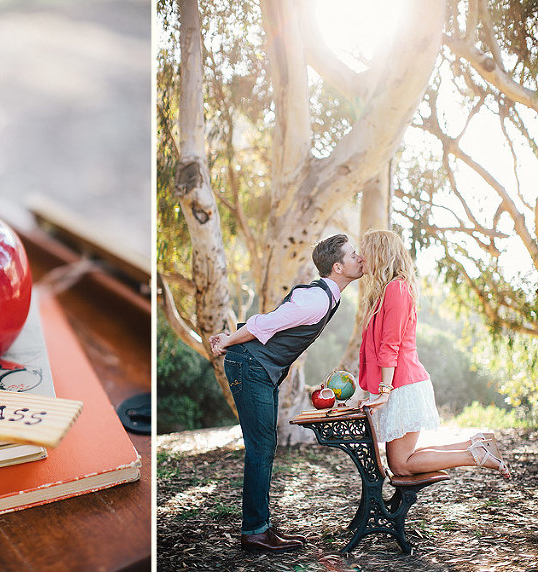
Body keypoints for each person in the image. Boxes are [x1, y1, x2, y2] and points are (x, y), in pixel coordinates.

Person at [210, 234, 364, 553]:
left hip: (257, 367)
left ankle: (261, 528)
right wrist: (228, 341)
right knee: (261, 447)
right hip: (252, 367)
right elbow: (267, 322)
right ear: (338, 267)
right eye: (354, 255)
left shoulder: (328, 296)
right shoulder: (318, 299)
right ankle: (254, 532)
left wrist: (231, 339)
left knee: (265, 446)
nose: (360, 258)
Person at [356, 229, 511, 480]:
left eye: (366, 252)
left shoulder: (396, 289)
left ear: (380, 254)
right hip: (398, 384)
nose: (362, 258)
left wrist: (384, 392)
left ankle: (475, 455)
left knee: (402, 465)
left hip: (401, 386)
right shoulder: (391, 289)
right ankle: (476, 443)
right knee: (403, 460)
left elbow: (390, 345)